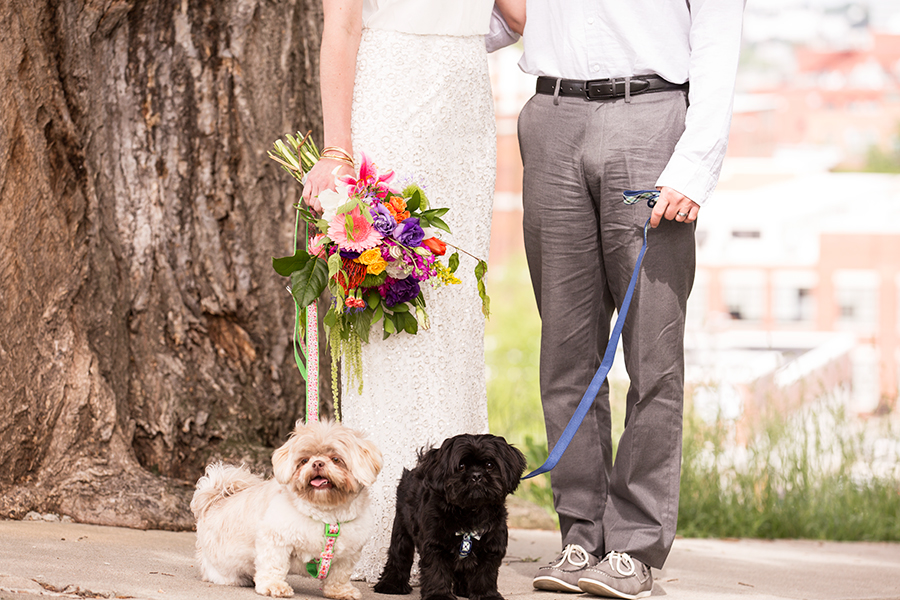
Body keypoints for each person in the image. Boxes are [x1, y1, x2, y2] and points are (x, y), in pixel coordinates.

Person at [488, 1, 745, 598]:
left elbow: (716, 35)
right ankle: (581, 535)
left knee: (651, 353)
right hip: (550, 116)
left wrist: (694, 165)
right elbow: (500, 23)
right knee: (565, 352)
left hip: (651, 117)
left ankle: (634, 547)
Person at [301, 0, 515, 583]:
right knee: (395, 306)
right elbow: (341, 26)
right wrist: (338, 150)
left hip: (464, 112)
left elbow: (519, 19)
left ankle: (460, 528)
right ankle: (380, 532)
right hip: (394, 93)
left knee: (453, 314)